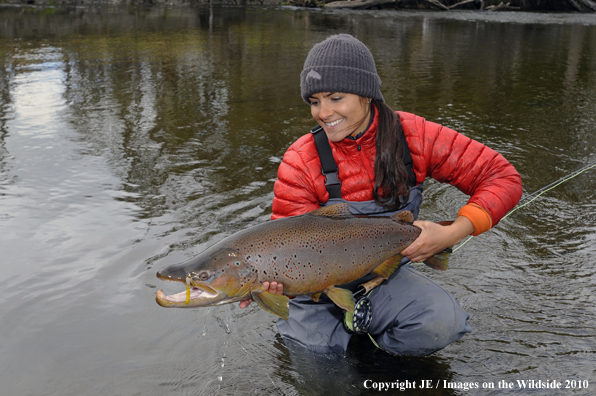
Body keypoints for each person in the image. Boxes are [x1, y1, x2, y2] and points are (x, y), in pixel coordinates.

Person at [240, 34, 522, 356]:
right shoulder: (301, 159)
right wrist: (271, 285)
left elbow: (503, 178)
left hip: (385, 276)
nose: (323, 112)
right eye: (314, 101)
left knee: (442, 324)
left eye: (335, 97)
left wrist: (451, 233)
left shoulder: (416, 136)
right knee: (317, 368)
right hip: (314, 292)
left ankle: (377, 352)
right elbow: (284, 243)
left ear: (367, 95)